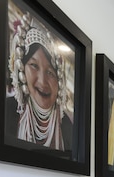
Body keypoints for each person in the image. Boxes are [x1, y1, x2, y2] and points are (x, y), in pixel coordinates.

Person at [6, 14, 72, 152]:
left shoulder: (66, 125)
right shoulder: (7, 111)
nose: (42, 81)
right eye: (34, 66)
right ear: (22, 69)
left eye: (50, 73)